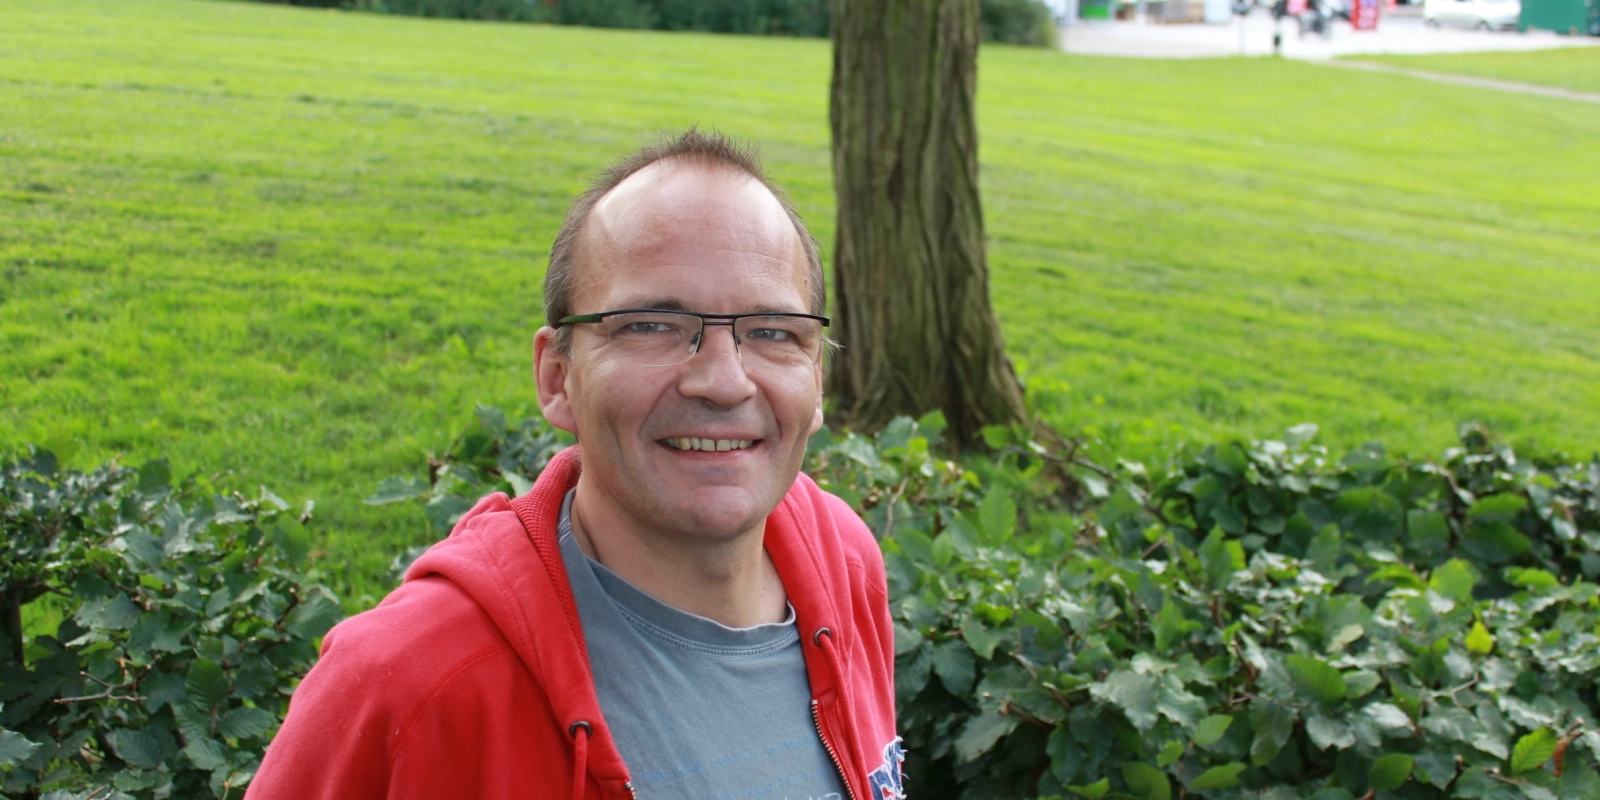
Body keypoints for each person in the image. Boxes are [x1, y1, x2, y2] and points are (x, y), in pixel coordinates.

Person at [245, 130, 903, 800]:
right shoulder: (410, 681)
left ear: (816, 379)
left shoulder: (842, 563)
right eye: (651, 325)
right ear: (558, 377)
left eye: (773, 332)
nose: (724, 382)